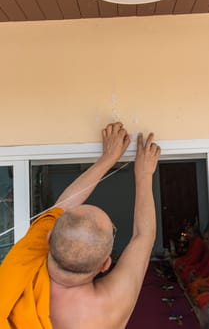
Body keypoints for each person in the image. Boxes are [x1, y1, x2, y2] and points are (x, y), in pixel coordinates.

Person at [0, 122, 161, 329]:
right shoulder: (109, 308)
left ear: (48, 238)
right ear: (105, 264)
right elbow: (144, 235)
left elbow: (62, 207)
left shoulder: (20, 263)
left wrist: (107, 159)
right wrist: (145, 174)